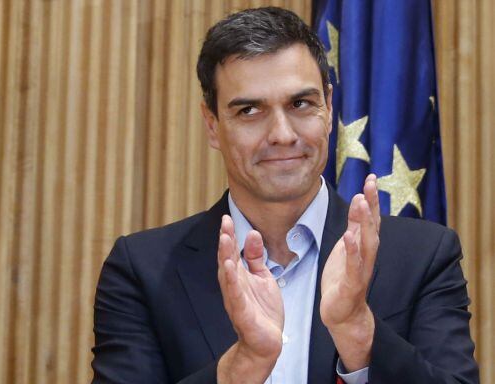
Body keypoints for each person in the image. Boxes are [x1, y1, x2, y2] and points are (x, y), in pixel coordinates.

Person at [91, 7, 478, 384]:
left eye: (300, 104)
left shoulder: (424, 257)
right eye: (249, 111)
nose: (282, 134)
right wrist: (242, 366)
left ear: (328, 107)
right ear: (212, 125)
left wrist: (358, 334)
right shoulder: (142, 270)